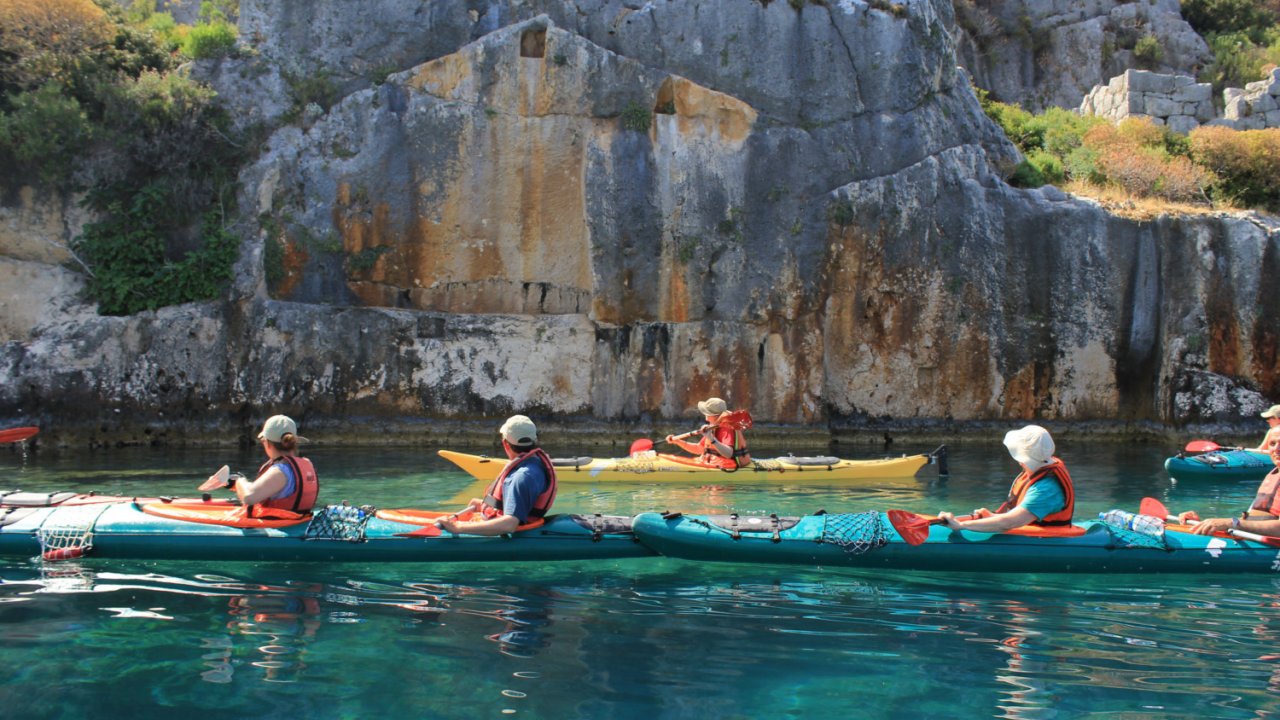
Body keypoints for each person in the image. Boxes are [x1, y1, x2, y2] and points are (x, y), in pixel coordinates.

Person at [937, 425, 1075, 533]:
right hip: (1029, 527)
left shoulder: (1046, 489)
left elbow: (1010, 522)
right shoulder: (1044, 464)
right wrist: (991, 516)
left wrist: (961, 525)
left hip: (1046, 540)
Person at [437, 415, 557, 536]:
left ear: (505, 443)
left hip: (506, 533)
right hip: (511, 522)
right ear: (535, 441)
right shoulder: (536, 464)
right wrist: (484, 505)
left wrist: (458, 527)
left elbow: (510, 524)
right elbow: (523, 505)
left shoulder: (521, 476)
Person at [230, 415, 319, 516]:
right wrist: (237, 486)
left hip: (283, 526)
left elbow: (249, 498)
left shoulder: (280, 471)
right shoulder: (306, 464)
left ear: (267, 443)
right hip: (301, 521)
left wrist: (239, 481)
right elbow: (267, 488)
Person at [664, 397, 751, 469]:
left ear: (716, 416)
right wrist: (677, 441)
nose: (706, 417)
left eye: (707, 414)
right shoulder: (713, 426)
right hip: (710, 462)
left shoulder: (726, 428)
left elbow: (729, 454)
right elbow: (699, 449)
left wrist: (712, 439)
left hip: (724, 465)